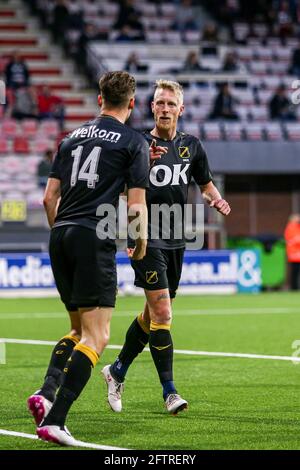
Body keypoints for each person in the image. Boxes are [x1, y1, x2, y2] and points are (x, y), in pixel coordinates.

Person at [27, 71, 149, 446]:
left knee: (79, 329)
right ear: (131, 103)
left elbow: (49, 198)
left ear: (99, 99)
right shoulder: (133, 142)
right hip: (93, 235)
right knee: (98, 336)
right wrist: (139, 243)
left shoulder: (69, 139)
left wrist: (62, 232)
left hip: (60, 234)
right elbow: (136, 204)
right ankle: (56, 420)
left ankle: (46, 394)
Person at [102, 79, 231, 415]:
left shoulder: (192, 146)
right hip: (144, 236)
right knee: (163, 314)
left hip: (177, 238)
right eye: (159, 103)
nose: (164, 109)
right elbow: (116, 188)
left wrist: (216, 200)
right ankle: (170, 392)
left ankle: (116, 371)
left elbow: (204, 184)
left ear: (181, 110)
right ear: (150, 107)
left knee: (150, 314)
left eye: (170, 104)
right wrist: (143, 162)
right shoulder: (138, 144)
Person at [284, 214, 300, 290]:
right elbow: (294, 239)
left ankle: (295, 287)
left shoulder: (297, 227)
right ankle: (294, 287)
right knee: (295, 272)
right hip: (294, 254)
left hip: (297, 254)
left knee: (296, 272)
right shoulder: (291, 227)